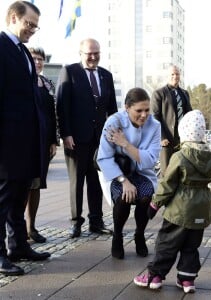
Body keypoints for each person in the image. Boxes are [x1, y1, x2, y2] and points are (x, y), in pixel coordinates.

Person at [133, 110, 211, 293]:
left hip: (180, 210)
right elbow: (209, 178)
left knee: (167, 242)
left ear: (183, 132)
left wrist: (155, 204)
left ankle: (154, 276)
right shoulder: (210, 156)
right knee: (191, 246)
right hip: (201, 209)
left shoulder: (179, 156)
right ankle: (187, 280)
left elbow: (167, 184)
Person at [0, 1, 51, 276]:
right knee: (4, 198)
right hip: (7, 142)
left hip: (25, 141)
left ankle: (18, 245)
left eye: (35, 26)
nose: (32, 30)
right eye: (28, 24)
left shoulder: (22, 51)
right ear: (13, 17)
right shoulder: (1, 47)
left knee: (18, 197)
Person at [56, 38, 118, 238]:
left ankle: (96, 222)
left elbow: (112, 110)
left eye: (96, 52)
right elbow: (61, 105)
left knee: (96, 180)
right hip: (75, 138)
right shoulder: (70, 71)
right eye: (89, 53)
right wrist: (65, 133)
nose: (93, 56)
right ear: (81, 53)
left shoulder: (106, 76)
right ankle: (76, 223)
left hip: (100, 140)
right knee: (77, 182)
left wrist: (114, 135)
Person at [97, 87, 161, 259]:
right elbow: (104, 157)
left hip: (142, 173)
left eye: (147, 110)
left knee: (146, 196)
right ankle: (117, 235)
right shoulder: (113, 123)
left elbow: (150, 159)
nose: (144, 115)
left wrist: (125, 144)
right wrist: (124, 181)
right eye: (138, 110)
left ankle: (139, 234)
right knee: (125, 197)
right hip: (117, 172)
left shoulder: (155, 126)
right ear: (127, 107)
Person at [25, 46, 59, 243]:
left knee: (37, 185)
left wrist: (54, 140)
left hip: (43, 143)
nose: (37, 62)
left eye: (40, 59)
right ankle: (18, 231)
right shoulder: (21, 81)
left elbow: (53, 114)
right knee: (23, 186)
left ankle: (32, 228)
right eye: (34, 58)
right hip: (25, 142)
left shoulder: (47, 83)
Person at [151, 65, 192, 177]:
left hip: (183, 140)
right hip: (167, 140)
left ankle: (180, 195)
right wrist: (161, 137)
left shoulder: (185, 93)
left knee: (183, 172)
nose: (175, 76)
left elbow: (190, 115)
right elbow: (155, 117)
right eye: (172, 74)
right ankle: (166, 195)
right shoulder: (159, 93)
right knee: (168, 173)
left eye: (177, 74)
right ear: (167, 76)